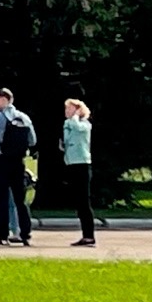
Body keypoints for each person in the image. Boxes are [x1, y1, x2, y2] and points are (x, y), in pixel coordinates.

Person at [0, 87, 36, 245]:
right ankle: (25, 234)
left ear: (4, 100)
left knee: (2, 198)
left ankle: (3, 235)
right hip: (18, 161)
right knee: (20, 199)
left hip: (1, 159)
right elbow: (33, 140)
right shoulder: (23, 117)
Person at [60, 98, 96, 246]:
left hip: (82, 164)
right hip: (72, 163)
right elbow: (67, 139)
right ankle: (85, 235)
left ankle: (89, 235)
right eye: (66, 109)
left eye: (70, 109)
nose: (66, 112)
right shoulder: (67, 124)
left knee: (84, 201)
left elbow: (79, 128)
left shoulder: (85, 124)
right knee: (79, 202)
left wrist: (75, 116)